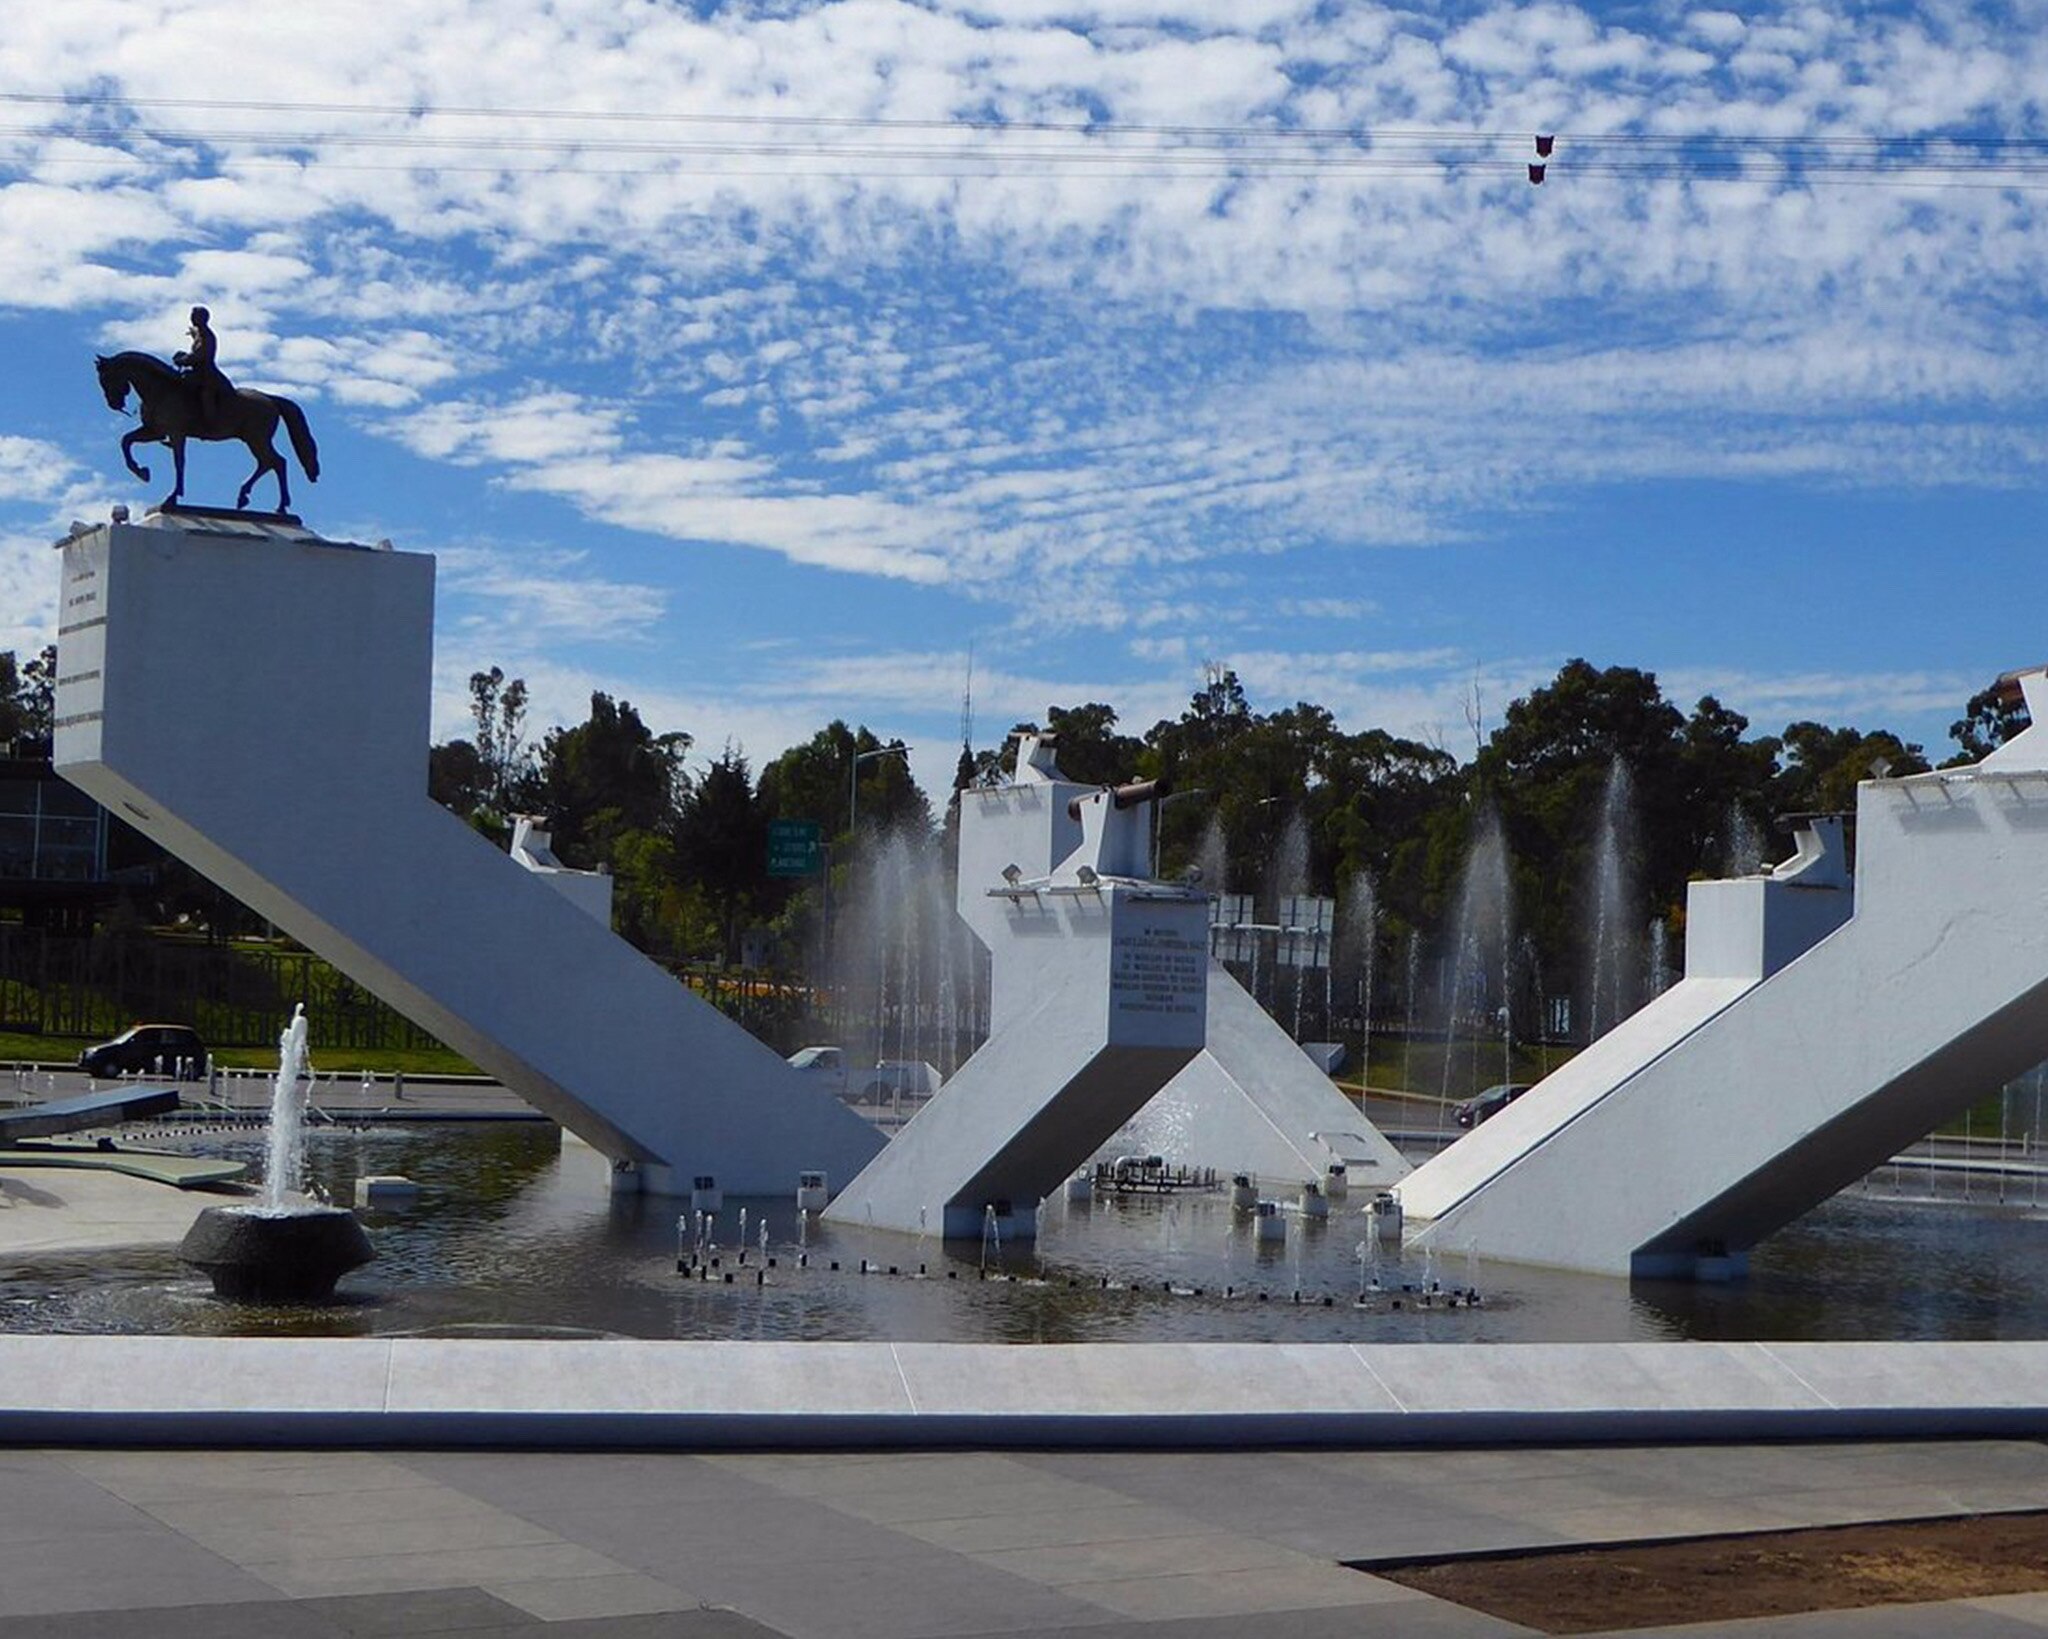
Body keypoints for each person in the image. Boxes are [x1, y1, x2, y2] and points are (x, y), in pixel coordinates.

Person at [173, 305, 233, 434]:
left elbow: (200, 355)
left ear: (204, 319)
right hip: (197, 372)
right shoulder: (199, 333)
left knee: (206, 395)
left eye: (195, 316)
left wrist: (184, 360)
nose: (192, 319)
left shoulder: (208, 336)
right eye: (192, 316)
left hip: (207, 374)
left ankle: (210, 423)